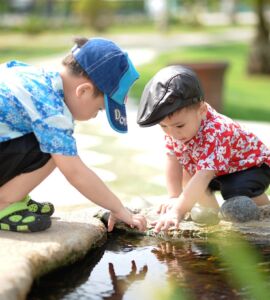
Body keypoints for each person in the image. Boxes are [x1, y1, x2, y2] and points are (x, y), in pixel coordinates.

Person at [0, 37, 147, 233]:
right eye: (100, 109)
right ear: (84, 91)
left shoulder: (35, 78)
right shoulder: (51, 110)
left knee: (48, 139)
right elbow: (75, 172)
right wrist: (118, 208)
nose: (95, 116)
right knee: (58, 150)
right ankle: (4, 203)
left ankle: (14, 195)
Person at [137, 65, 270, 232]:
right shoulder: (175, 130)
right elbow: (173, 160)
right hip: (218, 170)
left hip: (250, 167)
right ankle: (212, 214)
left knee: (234, 190)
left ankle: (265, 212)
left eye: (179, 125)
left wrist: (177, 211)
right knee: (187, 174)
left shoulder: (217, 131)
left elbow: (205, 174)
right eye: (164, 127)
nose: (173, 133)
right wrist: (174, 197)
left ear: (202, 110)